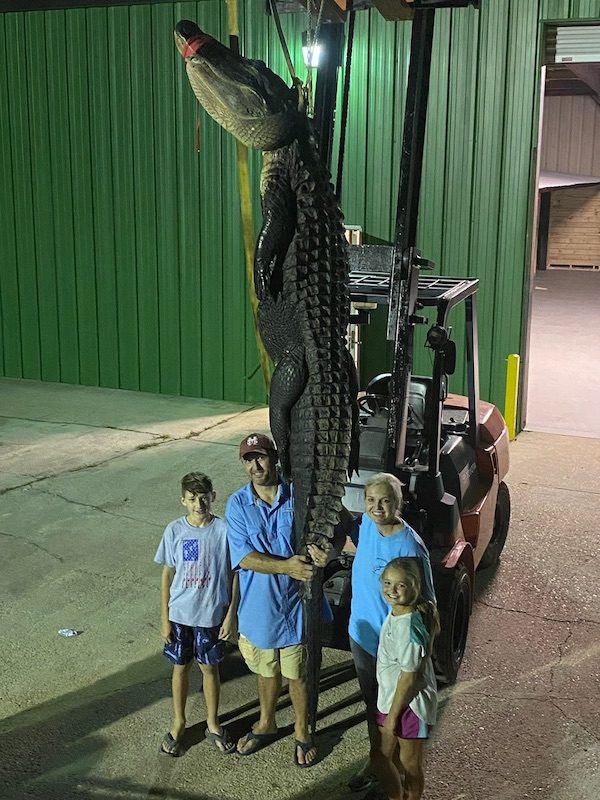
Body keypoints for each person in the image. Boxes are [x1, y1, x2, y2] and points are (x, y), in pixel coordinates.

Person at [225, 432, 332, 767]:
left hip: (296, 605)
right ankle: (267, 722)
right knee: (266, 670)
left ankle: (302, 728)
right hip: (259, 608)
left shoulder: (299, 494)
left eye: (260, 457)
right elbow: (243, 557)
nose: (255, 466)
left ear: (274, 457)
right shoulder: (237, 504)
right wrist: (286, 566)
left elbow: (333, 525)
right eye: (248, 460)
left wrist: (326, 551)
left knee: (297, 673)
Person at [347, 472, 436, 793]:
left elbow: (428, 603)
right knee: (375, 706)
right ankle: (379, 763)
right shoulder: (367, 524)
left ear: (398, 503)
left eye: (385, 501)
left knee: (398, 713)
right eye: (371, 500)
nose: (377, 507)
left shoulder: (410, 546)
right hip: (363, 635)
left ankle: (395, 765)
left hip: (396, 649)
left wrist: (423, 655)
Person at [154, 471, 239, 757]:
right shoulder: (174, 531)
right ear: (183, 501)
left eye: (203, 498)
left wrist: (231, 613)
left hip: (211, 615)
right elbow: (167, 574)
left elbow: (235, 573)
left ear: (213, 497)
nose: (198, 504)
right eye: (192, 499)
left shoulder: (224, 530)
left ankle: (213, 722)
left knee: (209, 669)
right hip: (180, 614)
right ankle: (179, 722)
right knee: (180, 667)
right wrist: (164, 618)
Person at [372, 557, 440, 800]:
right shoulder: (398, 614)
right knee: (383, 757)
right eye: (387, 583)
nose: (392, 590)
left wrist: (392, 717)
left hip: (409, 706)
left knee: (410, 764)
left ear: (414, 587)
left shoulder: (408, 627)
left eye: (400, 585)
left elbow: (409, 678)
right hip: (393, 700)